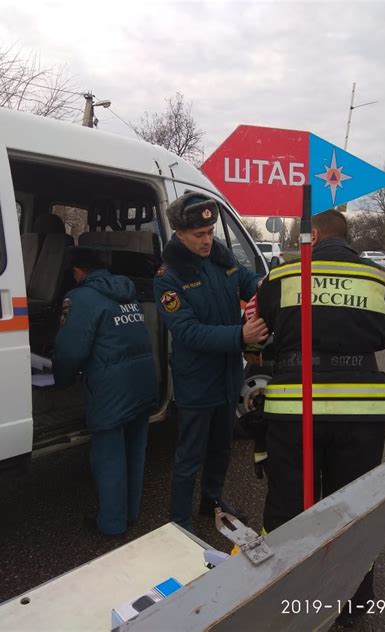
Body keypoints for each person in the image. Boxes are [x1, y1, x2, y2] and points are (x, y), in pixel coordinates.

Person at [253, 209, 385, 625]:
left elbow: (262, 331)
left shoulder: (282, 276)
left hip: (295, 406)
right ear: (348, 237)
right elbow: (380, 335)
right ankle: (353, 603)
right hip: (361, 410)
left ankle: (286, 596)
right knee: (354, 506)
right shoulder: (379, 279)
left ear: (313, 234)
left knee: (289, 509)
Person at [153, 193, 268, 531]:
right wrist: (240, 337)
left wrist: (268, 284)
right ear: (179, 234)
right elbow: (187, 332)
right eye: (199, 235)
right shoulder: (168, 276)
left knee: (222, 447)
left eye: (209, 231)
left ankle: (212, 500)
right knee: (190, 454)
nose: (207, 240)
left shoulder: (222, 258)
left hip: (227, 374)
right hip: (197, 378)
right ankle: (179, 522)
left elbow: (249, 282)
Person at [52, 246, 158, 536]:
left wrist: (60, 382)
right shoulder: (127, 291)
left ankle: (111, 524)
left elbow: (69, 351)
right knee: (134, 451)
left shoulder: (80, 297)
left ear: (78, 271)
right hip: (143, 381)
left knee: (109, 457)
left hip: (111, 389)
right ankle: (130, 513)